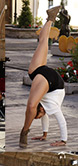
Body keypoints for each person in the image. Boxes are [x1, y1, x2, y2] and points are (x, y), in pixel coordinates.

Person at [19, 6, 67, 148]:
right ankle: (24, 132)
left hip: (40, 73)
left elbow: (43, 116)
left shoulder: (44, 107)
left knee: (43, 41)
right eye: (38, 117)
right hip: (52, 81)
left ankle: (50, 18)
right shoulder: (52, 106)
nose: (39, 118)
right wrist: (63, 140)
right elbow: (62, 121)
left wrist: (44, 134)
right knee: (31, 105)